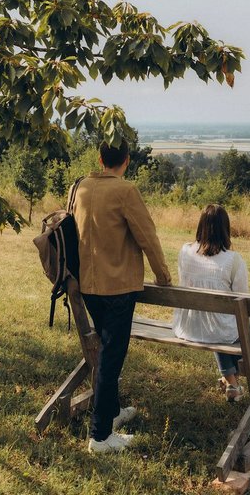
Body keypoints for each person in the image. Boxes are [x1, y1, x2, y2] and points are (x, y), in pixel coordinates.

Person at [72, 139, 172, 453]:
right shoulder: (125, 191)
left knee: (107, 353)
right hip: (118, 288)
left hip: (89, 286)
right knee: (110, 361)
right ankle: (101, 437)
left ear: (100, 159)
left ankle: (112, 413)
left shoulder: (82, 188)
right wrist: (163, 274)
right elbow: (147, 236)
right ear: (126, 161)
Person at [172, 204, 250, 402]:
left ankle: (231, 379)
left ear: (201, 226)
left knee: (220, 326)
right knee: (242, 325)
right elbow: (243, 299)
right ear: (226, 228)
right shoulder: (232, 260)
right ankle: (232, 382)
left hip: (187, 325)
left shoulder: (185, 251)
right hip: (216, 330)